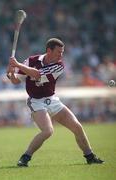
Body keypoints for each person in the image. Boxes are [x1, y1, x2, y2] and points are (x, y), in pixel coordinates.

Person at [7, 38, 104, 167]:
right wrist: (11, 73)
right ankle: (25, 157)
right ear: (49, 50)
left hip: (52, 100)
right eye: (58, 52)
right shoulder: (31, 60)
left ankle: (90, 157)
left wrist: (18, 65)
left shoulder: (59, 65)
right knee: (48, 131)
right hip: (36, 101)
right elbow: (16, 81)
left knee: (77, 127)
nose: (61, 55)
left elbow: (38, 74)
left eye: (62, 52)